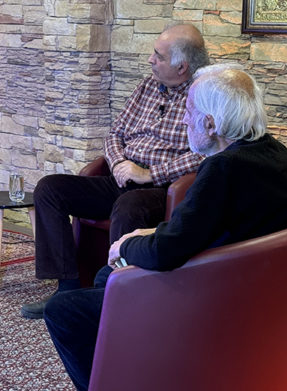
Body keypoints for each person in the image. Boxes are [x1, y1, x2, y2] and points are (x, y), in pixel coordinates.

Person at [43, 65, 287, 391]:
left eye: (189, 111)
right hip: (256, 296)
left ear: (210, 124)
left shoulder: (222, 169)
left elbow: (165, 252)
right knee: (106, 278)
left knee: (64, 309)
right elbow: (210, 227)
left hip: (208, 304)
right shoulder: (274, 153)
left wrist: (123, 246)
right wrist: (149, 233)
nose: (185, 120)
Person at [21, 23, 210, 319]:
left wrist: (151, 174)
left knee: (128, 205)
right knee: (49, 189)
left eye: (158, 56)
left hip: (161, 189)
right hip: (121, 177)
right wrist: (119, 163)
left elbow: (206, 154)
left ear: (182, 67)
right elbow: (115, 134)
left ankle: (111, 297)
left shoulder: (204, 95)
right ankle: (67, 287)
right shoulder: (148, 86)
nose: (150, 60)